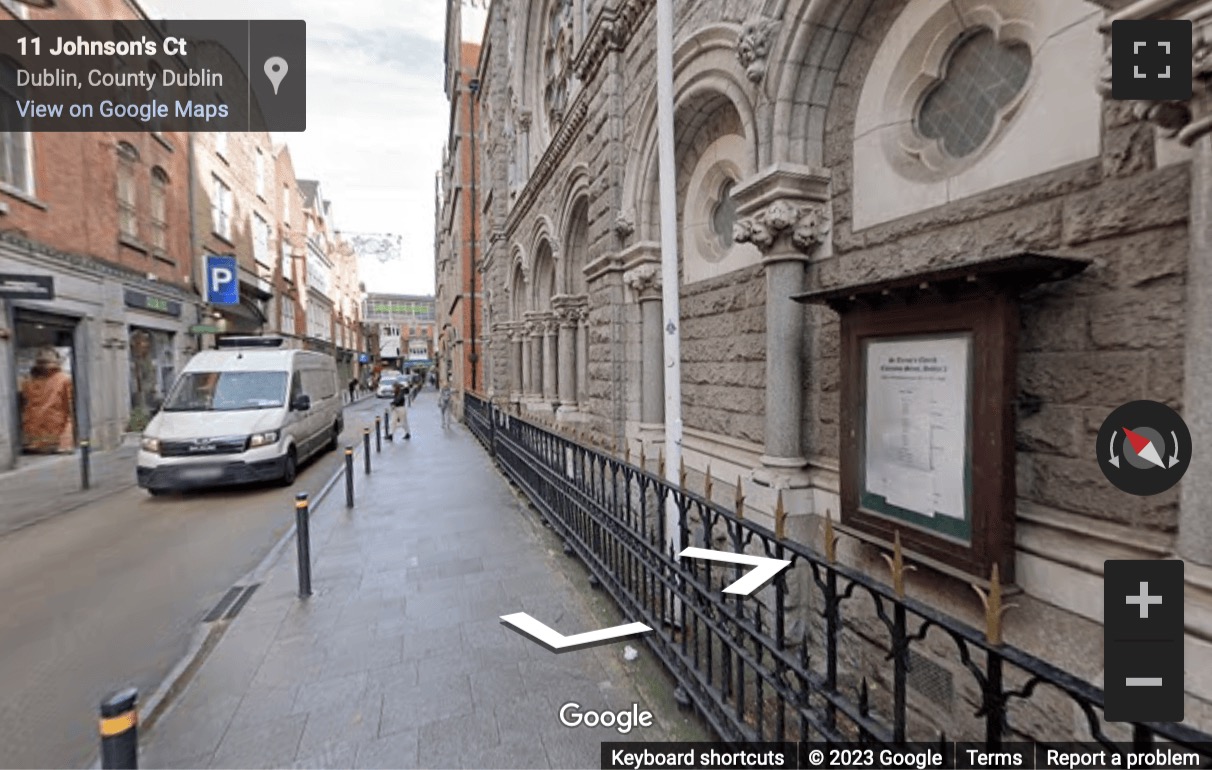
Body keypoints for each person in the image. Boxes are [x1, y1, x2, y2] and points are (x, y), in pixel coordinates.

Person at [19, 347, 75, 454]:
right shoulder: (29, 381)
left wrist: (66, 441)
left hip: (48, 442)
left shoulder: (63, 380)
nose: (43, 365)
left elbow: (70, 411)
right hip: (37, 441)